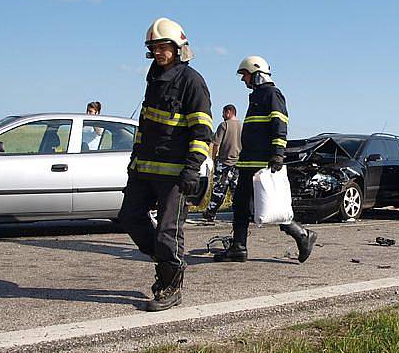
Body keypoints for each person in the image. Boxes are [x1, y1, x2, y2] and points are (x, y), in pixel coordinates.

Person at [118, 17, 213, 312]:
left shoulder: (192, 82)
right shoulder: (153, 80)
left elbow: (202, 131)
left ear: (178, 48)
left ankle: (171, 285)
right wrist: (134, 162)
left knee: (168, 231)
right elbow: (145, 127)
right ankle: (165, 260)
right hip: (144, 169)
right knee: (130, 217)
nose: (158, 53)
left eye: (164, 47)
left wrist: (192, 168)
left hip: (175, 174)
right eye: (154, 48)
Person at [214, 55, 317, 263]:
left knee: (272, 207)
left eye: (245, 75)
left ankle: (303, 235)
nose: (244, 80)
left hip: (261, 164)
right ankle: (238, 247)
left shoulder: (272, 94)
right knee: (240, 205)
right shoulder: (256, 96)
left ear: (256, 73)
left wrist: (278, 153)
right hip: (247, 163)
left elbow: (280, 125)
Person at [202, 104, 242, 222]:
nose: (222, 115)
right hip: (238, 164)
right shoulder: (242, 126)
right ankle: (240, 214)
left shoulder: (224, 125)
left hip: (224, 162)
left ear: (229, 112)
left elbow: (216, 144)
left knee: (218, 190)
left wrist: (213, 158)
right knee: (237, 191)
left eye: (223, 113)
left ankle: (210, 213)